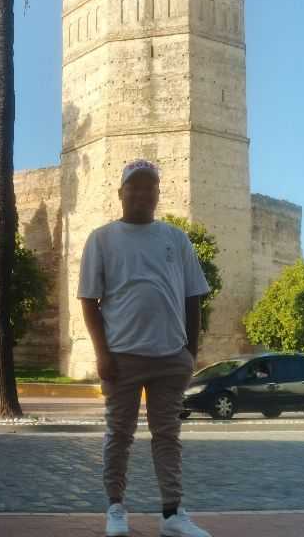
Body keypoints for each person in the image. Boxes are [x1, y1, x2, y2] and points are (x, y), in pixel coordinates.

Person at [77, 159, 212, 537]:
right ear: (121, 193)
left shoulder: (176, 239)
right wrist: (102, 354)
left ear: (157, 193)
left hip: (171, 357)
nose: (142, 193)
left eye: (149, 186)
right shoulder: (102, 239)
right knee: (119, 435)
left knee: (168, 436)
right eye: (134, 186)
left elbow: (193, 297)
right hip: (122, 358)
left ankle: (172, 514)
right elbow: (89, 300)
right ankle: (115, 509)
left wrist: (190, 352)